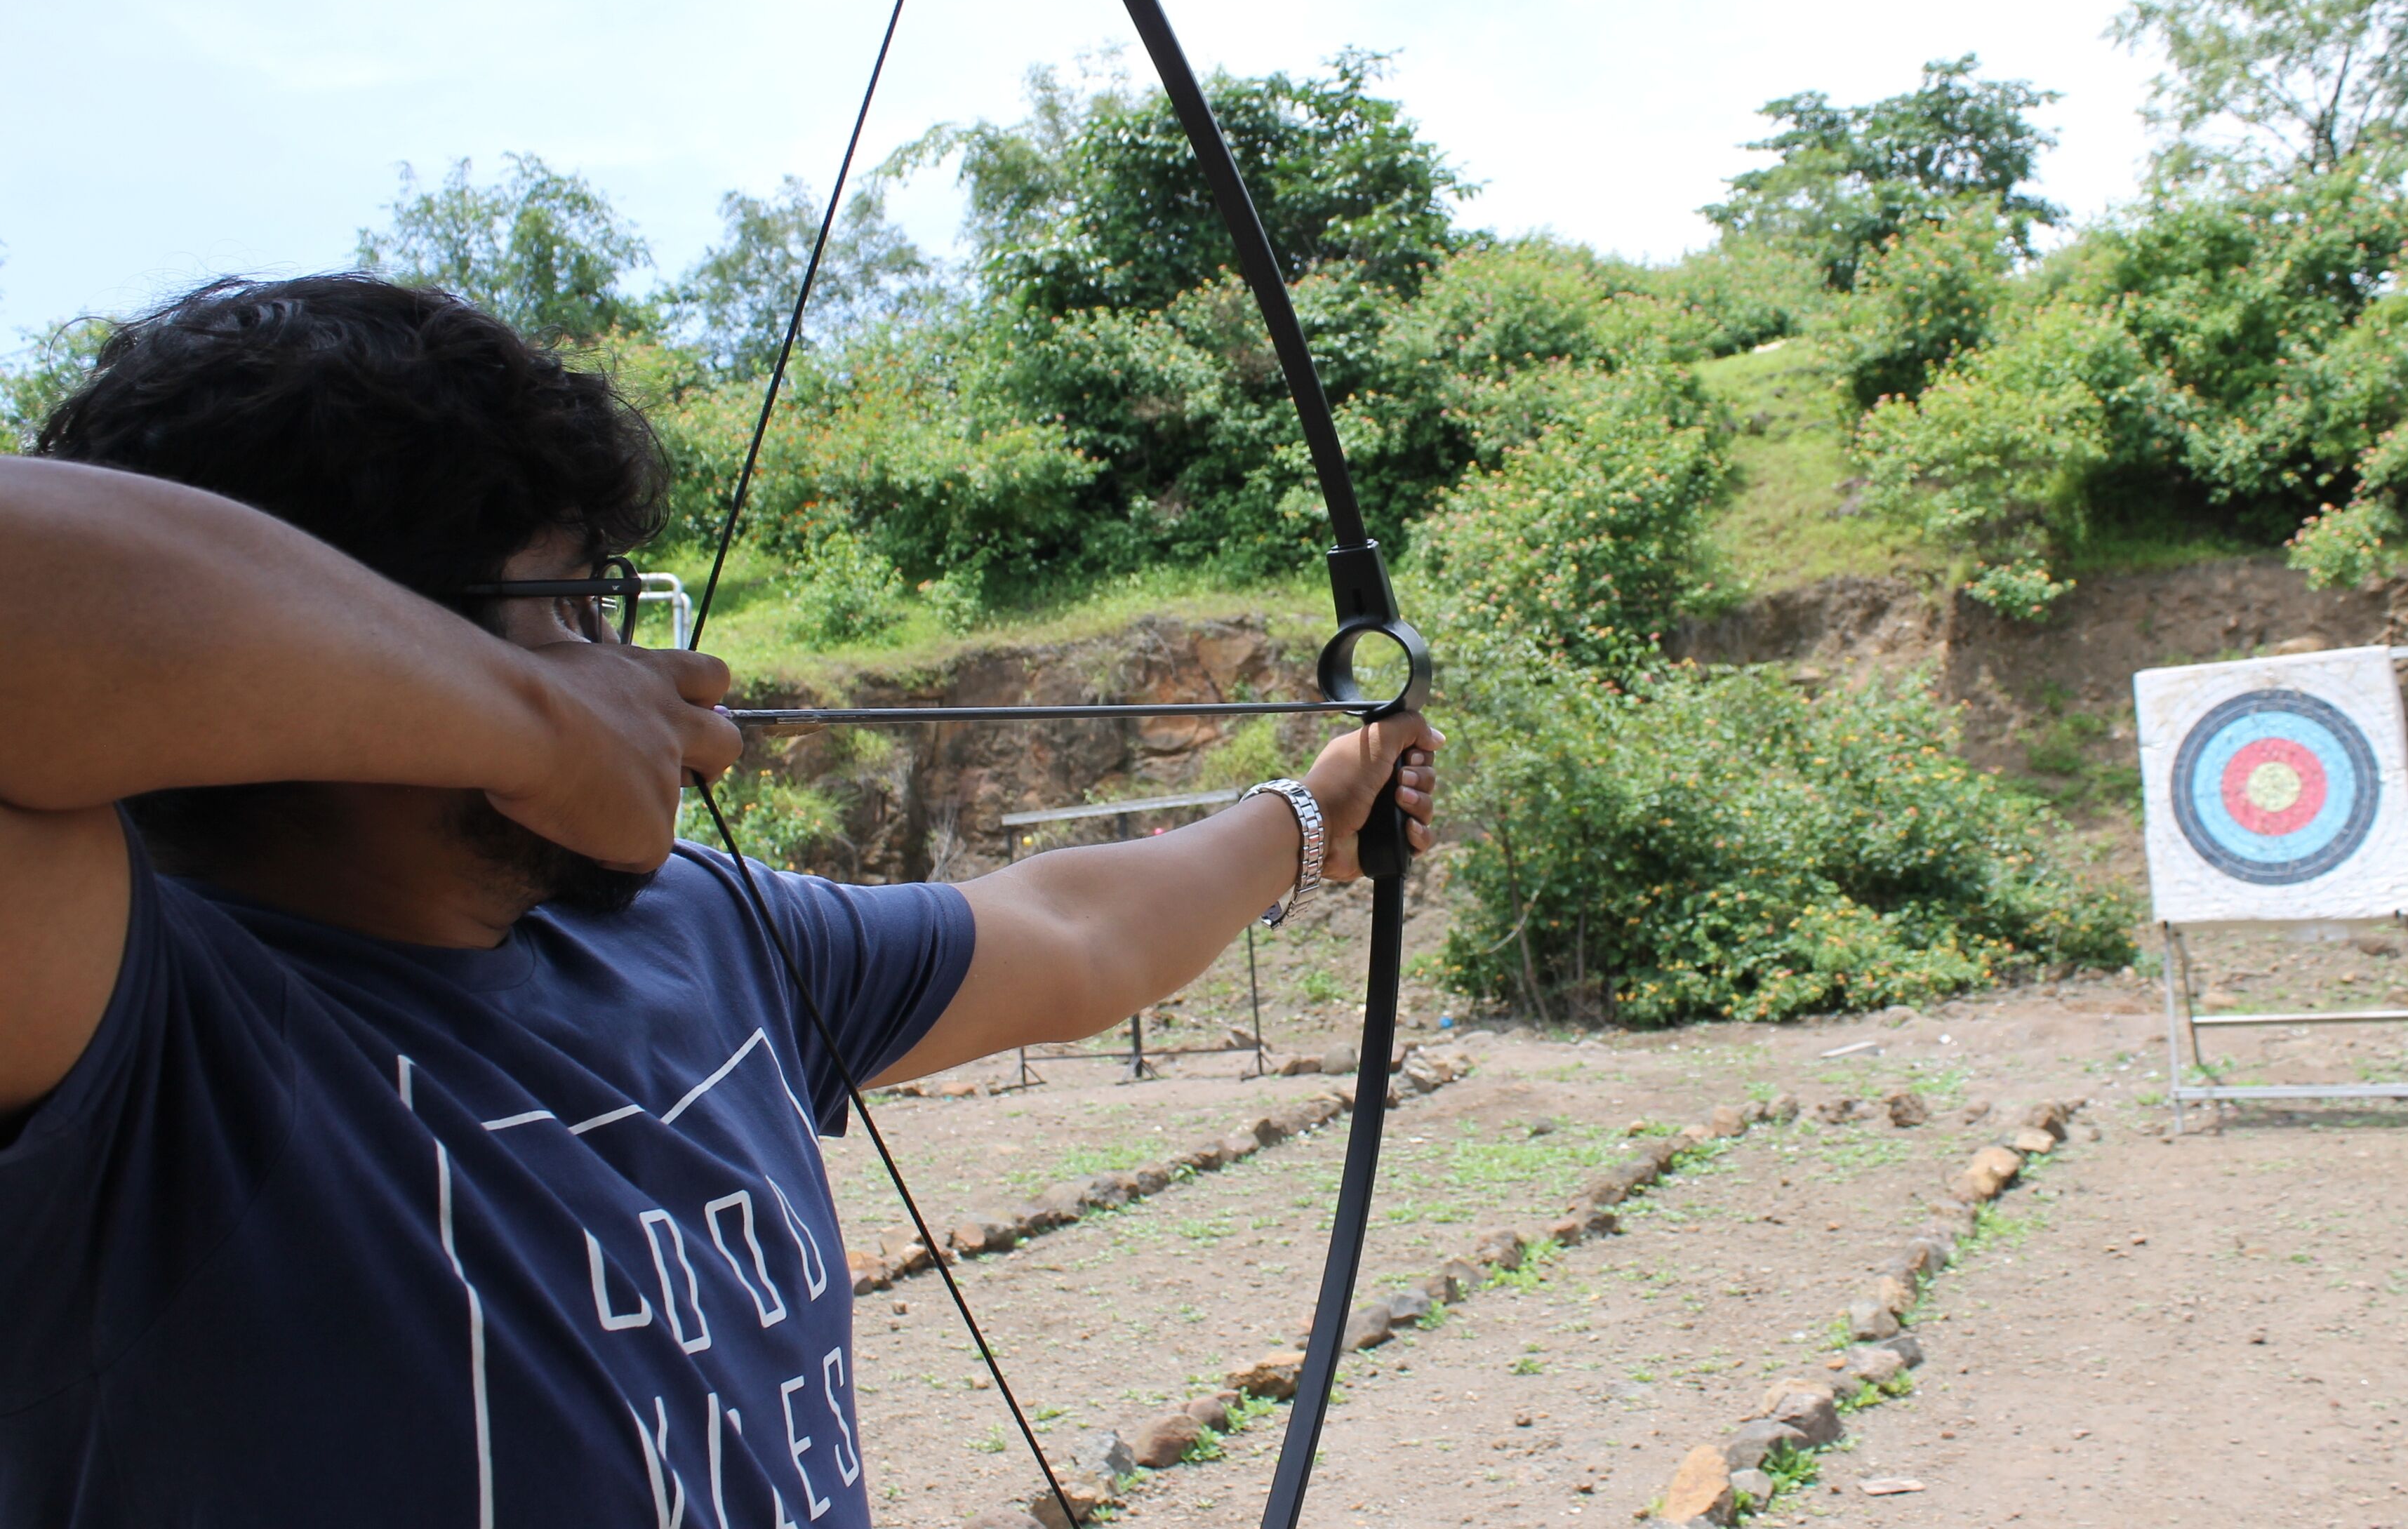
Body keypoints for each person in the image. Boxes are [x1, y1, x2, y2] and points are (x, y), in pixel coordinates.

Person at [0, 274, 1440, 1527]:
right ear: (359, 628)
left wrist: (1312, 814)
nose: (652, 675)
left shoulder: (691, 928)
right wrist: (536, 723)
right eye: (565, 608)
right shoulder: (111, 1011)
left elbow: (1073, 934)